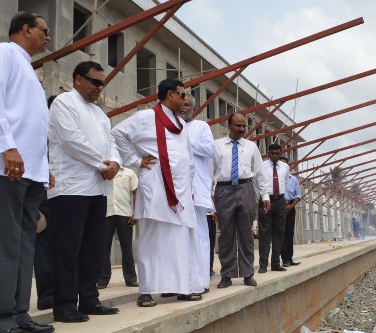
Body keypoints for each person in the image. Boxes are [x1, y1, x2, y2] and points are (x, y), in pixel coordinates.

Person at [0, 11, 55, 333]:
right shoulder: (2, 53)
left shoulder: (29, 68)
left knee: (25, 244)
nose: (48, 37)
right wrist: (6, 147)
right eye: (44, 30)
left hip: (31, 172)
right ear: (25, 29)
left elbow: (35, 126)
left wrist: (44, 167)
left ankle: (19, 313)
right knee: (3, 243)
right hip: (4, 167)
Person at [111, 79, 203, 307]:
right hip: (156, 187)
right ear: (170, 95)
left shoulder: (180, 124)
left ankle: (182, 287)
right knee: (153, 240)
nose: (185, 100)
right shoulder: (146, 117)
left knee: (181, 239)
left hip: (181, 192)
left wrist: (190, 188)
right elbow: (117, 134)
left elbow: (188, 159)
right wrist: (134, 160)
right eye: (182, 95)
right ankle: (147, 290)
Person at [48, 61, 122, 322]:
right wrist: (101, 164)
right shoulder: (64, 103)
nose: (99, 88)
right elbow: (71, 140)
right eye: (95, 82)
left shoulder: (101, 114)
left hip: (97, 189)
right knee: (68, 248)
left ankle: (89, 299)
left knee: (93, 247)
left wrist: (115, 162)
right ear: (78, 79)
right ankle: (65, 305)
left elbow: (111, 143)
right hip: (71, 188)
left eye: (102, 83)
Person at [213, 112, 270, 288]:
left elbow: (260, 172)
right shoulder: (217, 146)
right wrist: (209, 198)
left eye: (244, 126)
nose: (242, 129)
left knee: (246, 233)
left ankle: (247, 273)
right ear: (228, 125)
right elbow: (208, 173)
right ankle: (227, 274)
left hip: (246, 189)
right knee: (226, 234)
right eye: (238, 125)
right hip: (223, 190)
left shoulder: (252, 147)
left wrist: (265, 195)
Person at [179, 94, 216, 293]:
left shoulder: (201, 127)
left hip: (197, 190)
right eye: (181, 104)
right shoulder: (171, 125)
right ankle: (180, 281)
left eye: (187, 105)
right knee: (178, 236)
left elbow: (211, 150)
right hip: (176, 191)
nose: (183, 108)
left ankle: (201, 281)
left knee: (200, 235)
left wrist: (186, 144)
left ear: (194, 108)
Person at [33, 95, 58, 312]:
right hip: (44, 196)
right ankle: (47, 296)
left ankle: (58, 292)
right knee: (44, 247)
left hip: (64, 196)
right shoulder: (42, 130)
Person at [97, 166, 139, 289]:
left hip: (124, 213)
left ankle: (130, 278)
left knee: (127, 247)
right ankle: (103, 279)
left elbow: (136, 192)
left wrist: (136, 213)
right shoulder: (102, 172)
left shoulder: (129, 172)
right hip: (106, 214)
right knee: (103, 248)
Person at [257, 144, 290, 273]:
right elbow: (257, 183)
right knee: (265, 234)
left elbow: (285, 183)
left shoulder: (285, 167)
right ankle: (263, 265)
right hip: (266, 200)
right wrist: (262, 198)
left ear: (280, 153)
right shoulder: (262, 166)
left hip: (280, 200)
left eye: (277, 153)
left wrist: (283, 197)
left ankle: (276, 263)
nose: (275, 156)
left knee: (279, 233)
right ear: (268, 153)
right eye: (272, 153)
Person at [279, 156, 301, 267]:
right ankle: (284, 259)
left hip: (291, 207)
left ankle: (290, 258)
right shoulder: (276, 178)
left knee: (289, 233)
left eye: (285, 164)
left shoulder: (294, 179)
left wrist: (291, 206)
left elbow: (298, 195)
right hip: (279, 207)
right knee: (281, 234)